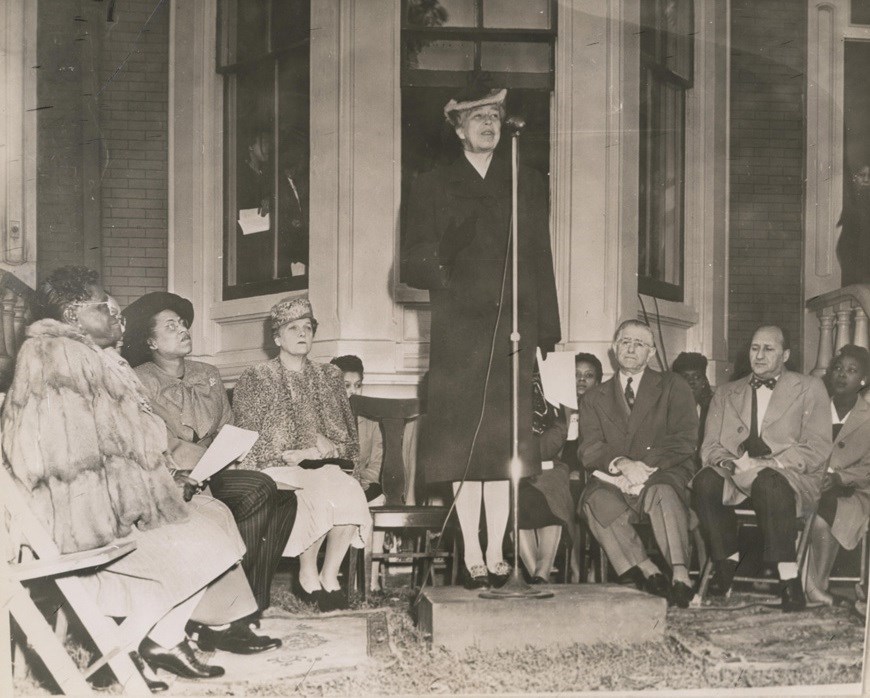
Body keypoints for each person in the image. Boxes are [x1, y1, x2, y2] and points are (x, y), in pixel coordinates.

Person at [2, 267, 275, 688]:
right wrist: (147, 497)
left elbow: (126, 448)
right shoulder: (57, 358)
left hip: (102, 508)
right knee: (205, 537)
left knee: (211, 525)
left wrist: (163, 481)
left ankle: (153, 641)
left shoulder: (94, 358)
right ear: (74, 314)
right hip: (77, 521)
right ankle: (147, 641)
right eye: (105, 305)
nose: (117, 316)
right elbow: (72, 462)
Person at [402, 83, 561, 589]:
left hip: (514, 331)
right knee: (463, 453)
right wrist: (452, 254)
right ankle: (471, 550)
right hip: (460, 334)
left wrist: (546, 332)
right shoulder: (431, 183)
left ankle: (497, 550)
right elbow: (413, 264)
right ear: (457, 128)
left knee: (501, 448)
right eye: (477, 117)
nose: (489, 124)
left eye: (494, 115)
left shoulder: (526, 181)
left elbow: (540, 257)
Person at [120, 292, 298, 622]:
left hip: (216, 468)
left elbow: (226, 425)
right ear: (151, 341)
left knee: (286, 499)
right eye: (171, 326)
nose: (183, 329)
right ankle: (226, 609)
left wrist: (229, 453)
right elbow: (157, 439)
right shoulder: (136, 379)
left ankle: (253, 602)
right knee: (258, 490)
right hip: (178, 475)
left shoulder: (209, 373)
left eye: (183, 323)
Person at [232, 297, 372, 612]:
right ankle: (307, 573)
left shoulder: (330, 376)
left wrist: (325, 449)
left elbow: (347, 437)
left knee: (347, 490)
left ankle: (329, 575)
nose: (302, 333)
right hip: (275, 466)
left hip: (322, 465)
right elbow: (247, 435)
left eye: (307, 327)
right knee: (315, 491)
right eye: (293, 328)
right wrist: (295, 450)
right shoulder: (255, 377)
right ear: (277, 337)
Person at [694, 325, 831, 612]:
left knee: (768, 482)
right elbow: (709, 448)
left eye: (769, 349)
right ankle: (726, 562)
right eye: (755, 348)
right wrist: (732, 463)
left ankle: (789, 579)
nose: (759, 355)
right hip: (737, 474)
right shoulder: (727, 392)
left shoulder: (810, 388)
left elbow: (817, 447)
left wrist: (769, 463)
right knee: (705, 480)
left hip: (790, 476)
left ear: (786, 355)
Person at [578, 320, 699, 607]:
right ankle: (648, 570)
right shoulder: (595, 397)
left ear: (652, 353)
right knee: (592, 500)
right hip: (617, 478)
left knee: (663, 494)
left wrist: (642, 467)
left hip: (662, 472)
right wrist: (622, 463)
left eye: (639, 344)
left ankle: (681, 574)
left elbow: (685, 439)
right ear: (614, 348)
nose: (630, 348)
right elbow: (589, 448)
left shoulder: (673, 386)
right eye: (625, 342)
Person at [805, 345, 870, 605]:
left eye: (851, 371)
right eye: (838, 369)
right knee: (815, 516)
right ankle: (814, 587)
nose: (842, 375)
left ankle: (812, 585)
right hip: (814, 486)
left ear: (863, 380)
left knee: (822, 516)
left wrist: (841, 477)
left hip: (855, 491)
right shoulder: (812, 412)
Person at [517, 370, 574, 583]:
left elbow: (555, 439)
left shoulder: (554, 391)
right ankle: (538, 577)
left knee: (550, 505)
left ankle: (541, 573)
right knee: (515, 504)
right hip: (511, 475)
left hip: (548, 473)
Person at [672, 351, 714, 448]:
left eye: (696, 377)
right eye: (685, 377)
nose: (691, 382)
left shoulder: (712, 411)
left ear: (704, 381)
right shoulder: (665, 411)